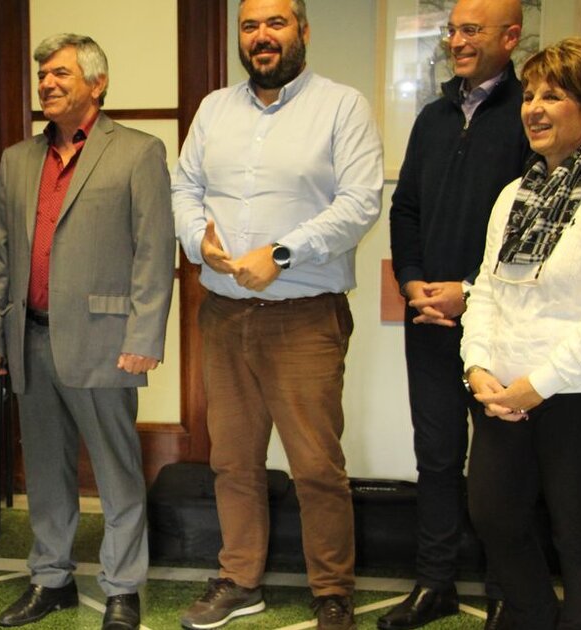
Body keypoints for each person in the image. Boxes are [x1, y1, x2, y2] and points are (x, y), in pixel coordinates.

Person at [172, 0, 383, 628]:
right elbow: (185, 187)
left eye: (275, 23)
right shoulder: (214, 109)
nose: (261, 36)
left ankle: (332, 590)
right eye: (249, 26)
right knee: (232, 461)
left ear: (303, 31)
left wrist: (282, 253)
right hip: (223, 315)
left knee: (316, 465)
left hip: (304, 318)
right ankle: (240, 580)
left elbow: (360, 202)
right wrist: (197, 240)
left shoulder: (342, 107)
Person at [0, 33, 174, 630]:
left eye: (60, 73)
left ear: (97, 82)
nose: (47, 84)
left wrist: (144, 336)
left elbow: (154, 251)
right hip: (29, 340)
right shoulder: (18, 159)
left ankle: (123, 588)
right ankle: (51, 578)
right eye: (42, 75)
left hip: (106, 342)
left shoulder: (137, 151)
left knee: (116, 471)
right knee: (45, 471)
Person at [461, 38, 581, 630]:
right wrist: (477, 367)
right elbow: (487, 291)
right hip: (504, 394)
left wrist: (537, 385)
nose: (534, 109)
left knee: (580, 535)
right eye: (529, 96)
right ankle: (533, 617)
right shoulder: (513, 195)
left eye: (553, 96)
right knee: (494, 516)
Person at [382, 0, 531, 627]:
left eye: (472, 30)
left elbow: (529, 229)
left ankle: (506, 590)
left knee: (502, 466)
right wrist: (413, 282)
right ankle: (435, 583)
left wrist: (468, 290)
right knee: (437, 457)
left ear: (511, 37)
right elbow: (406, 210)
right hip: (429, 323)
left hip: (501, 325)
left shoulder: (529, 115)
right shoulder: (433, 118)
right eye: (452, 31)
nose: (457, 42)